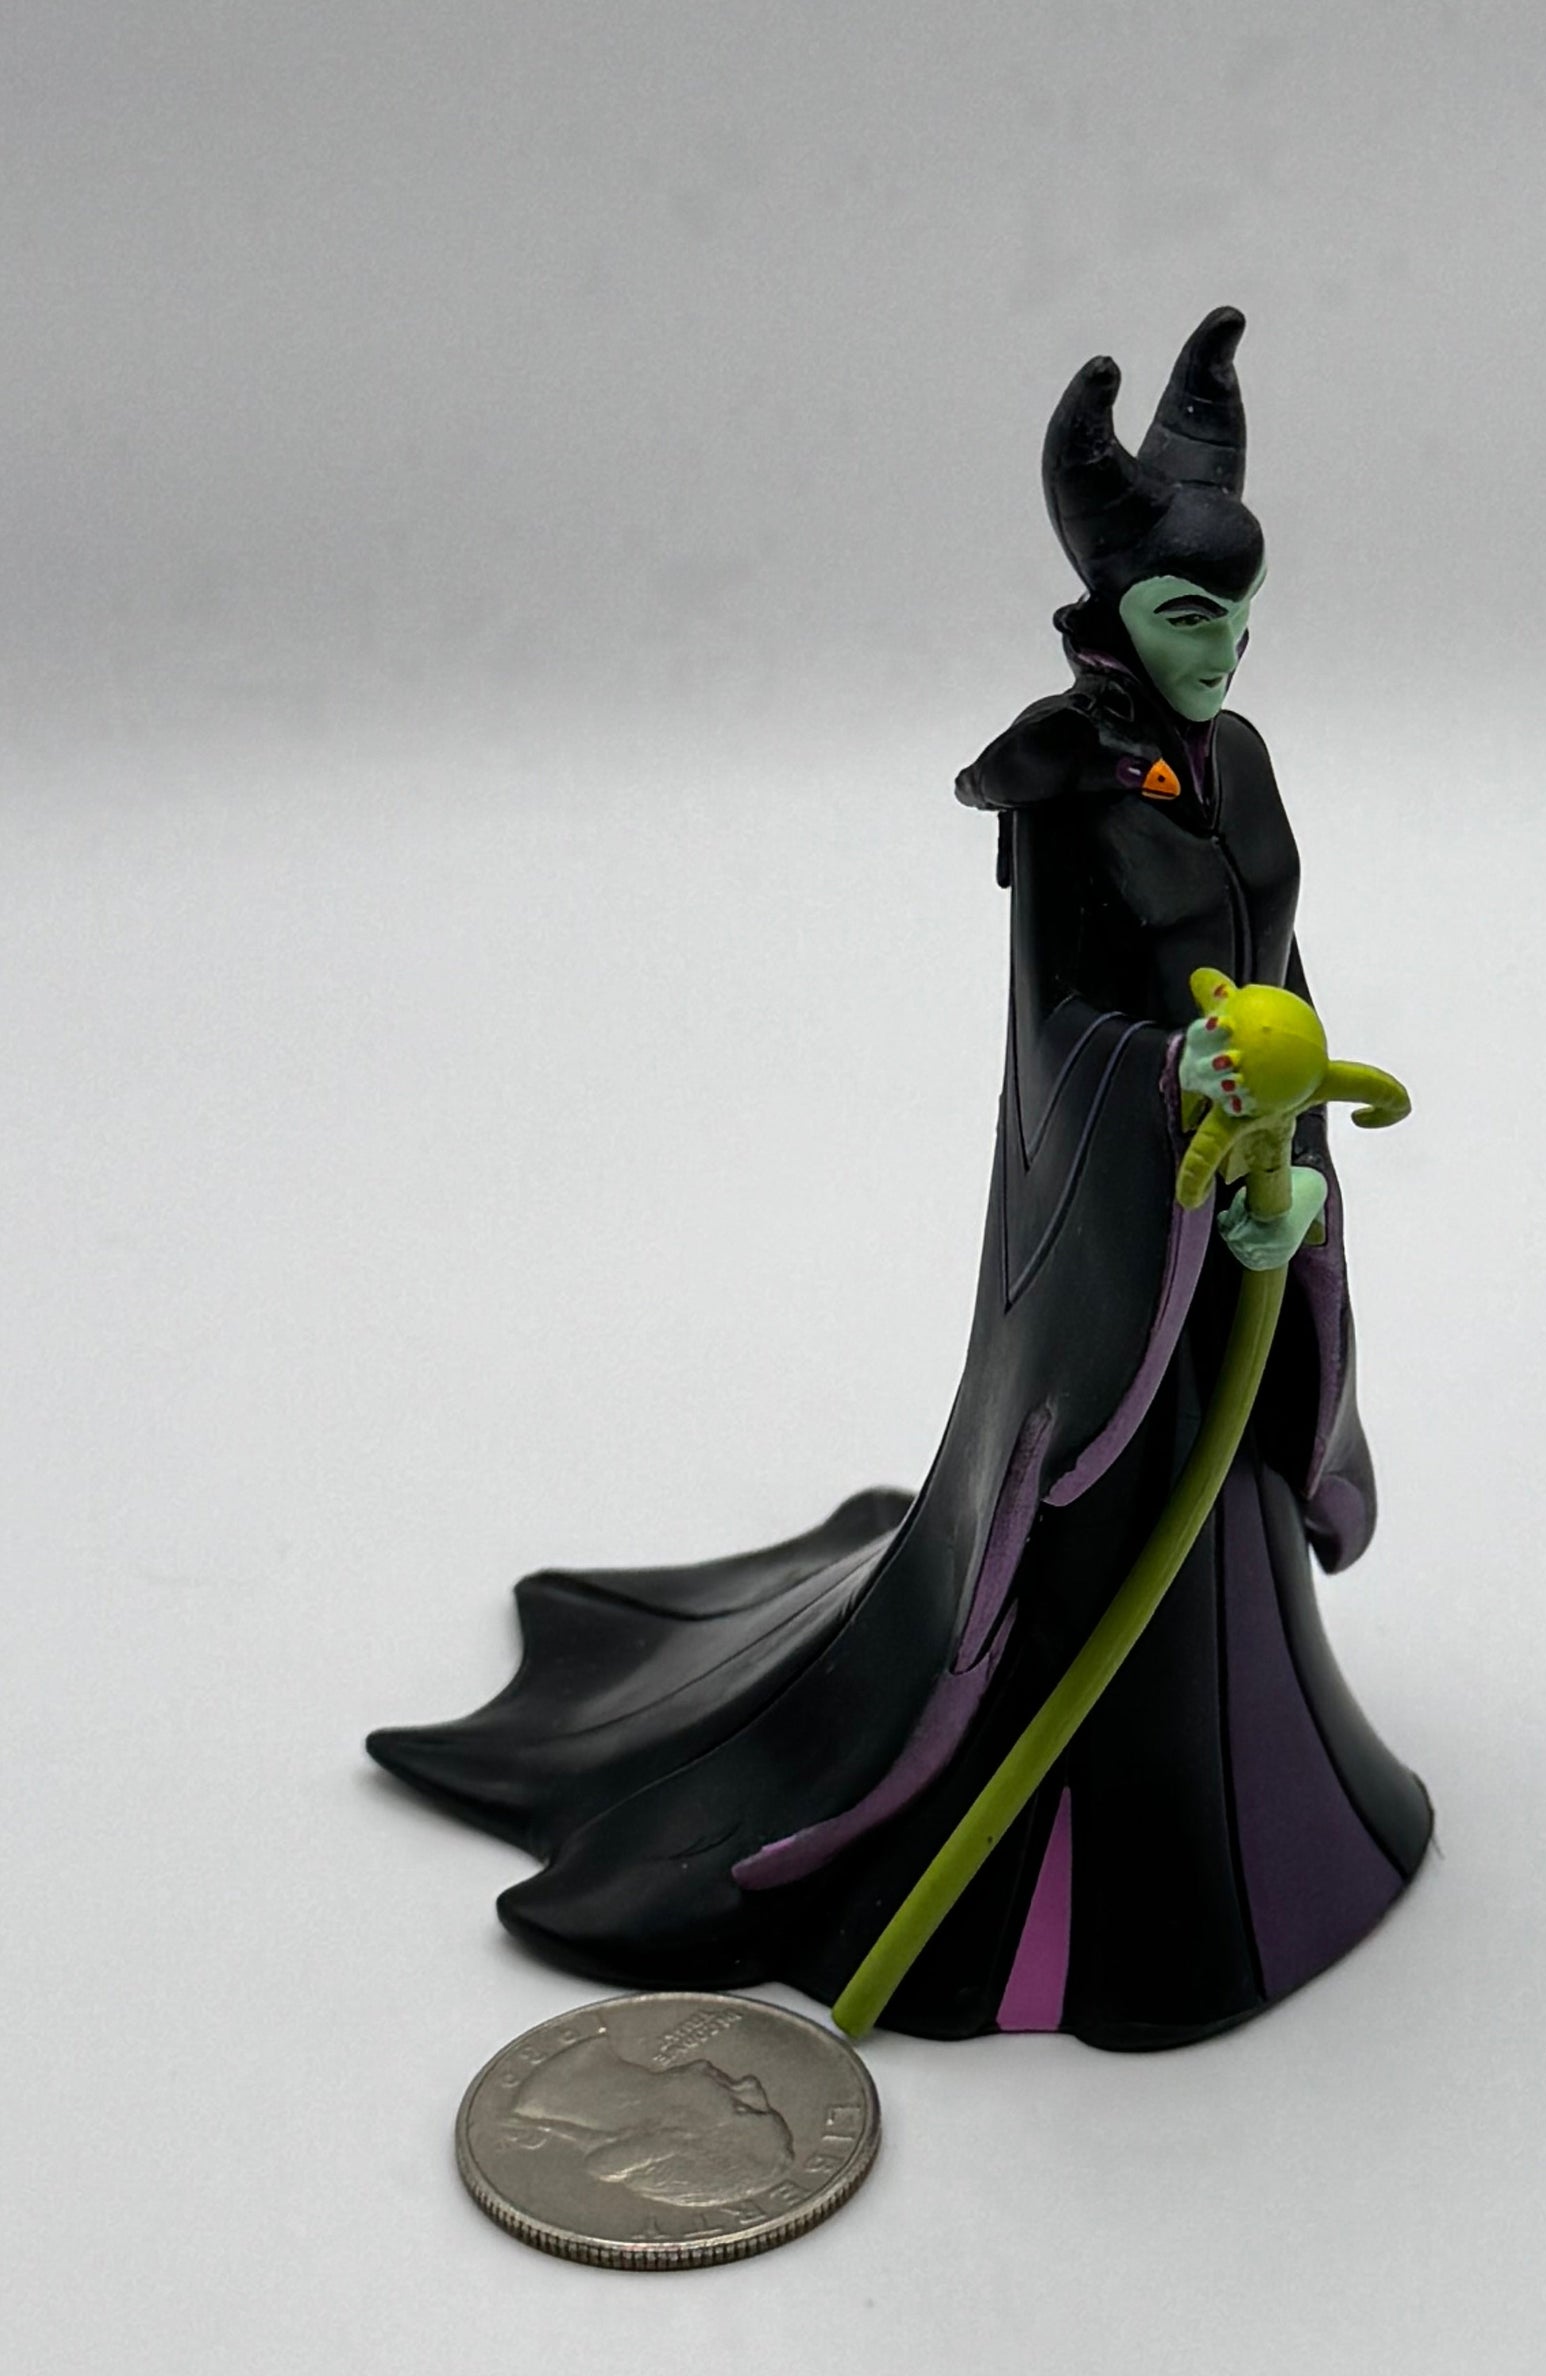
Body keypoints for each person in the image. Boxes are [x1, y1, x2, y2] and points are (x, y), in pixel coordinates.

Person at [369, 308, 1431, 2050]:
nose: (1225, 652)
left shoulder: (1241, 764)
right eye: (1190, 616)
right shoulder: (1063, 791)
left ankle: (1258, 1821)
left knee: (1227, 1518)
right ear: (1115, 613)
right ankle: (1071, 1884)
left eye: (1241, 620)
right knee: (1101, 1539)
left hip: (1234, 1213)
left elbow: (1281, 966)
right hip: (1123, 1229)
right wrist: (1173, 1090)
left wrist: (1291, 1172)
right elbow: (1060, 1032)